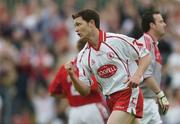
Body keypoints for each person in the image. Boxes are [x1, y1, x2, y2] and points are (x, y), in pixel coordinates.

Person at [65, 9, 151, 124]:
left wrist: (137, 75)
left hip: (128, 93)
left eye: (79, 24)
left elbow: (145, 55)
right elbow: (85, 91)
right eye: (75, 26)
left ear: (91, 23)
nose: (76, 29)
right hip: (110, 100)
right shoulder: (82, 57)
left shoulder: (116, 40)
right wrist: (72, 75)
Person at [48, 38, 109, 124]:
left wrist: (69, 95)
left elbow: (52, 92)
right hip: (92, 108)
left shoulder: (64, 68)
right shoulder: (92, 64)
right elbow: (97, 87)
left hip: (74, 112)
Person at [138, 11, 170, 124]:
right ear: (152, 25)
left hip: (149, 101)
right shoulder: (145, 44)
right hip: (143, 102)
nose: (164, 24)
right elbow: (146, 74)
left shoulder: (152, 43)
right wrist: (161, 95)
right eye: (161, 21)